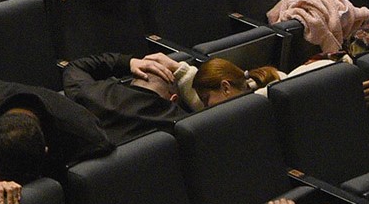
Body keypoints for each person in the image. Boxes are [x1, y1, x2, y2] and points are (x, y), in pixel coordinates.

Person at [63, 52, 270, 144]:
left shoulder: (92, 94)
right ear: (173, 98)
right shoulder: (183, 125)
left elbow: (74, 67)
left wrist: (128, 62)